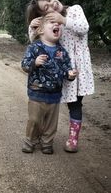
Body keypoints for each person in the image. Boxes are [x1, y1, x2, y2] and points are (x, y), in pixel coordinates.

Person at [26, 0, 94, 153]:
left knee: (75, 103)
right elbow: (37, 43)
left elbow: (84, 27)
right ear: (43, 16)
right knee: (49, 103)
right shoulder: (51, 23)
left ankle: (73, 139)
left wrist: (63, 20)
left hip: (78, 69)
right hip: (58, 69)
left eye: (50, 0)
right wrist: (33, 27)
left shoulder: (75, 10)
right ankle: (40, 136)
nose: (52, 5)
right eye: (46, 8)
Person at [21, 16, 77, 154]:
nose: (57, 24)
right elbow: (25, 65)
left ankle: (47, 142)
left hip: (55, 95)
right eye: (52, 22)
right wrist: (35, 62)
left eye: (58, 23)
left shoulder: (62, 51)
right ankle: (30, 140)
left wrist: (70, 75)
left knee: (51, 123)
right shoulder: (34, 47)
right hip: (36, 92)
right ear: (40, 30)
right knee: (35, 120)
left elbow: (66, 69)